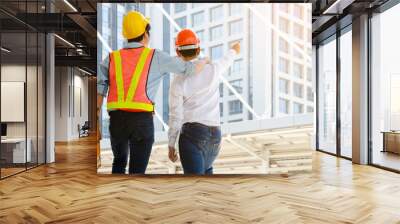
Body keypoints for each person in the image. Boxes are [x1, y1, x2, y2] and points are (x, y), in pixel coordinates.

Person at [97, 11, 208, 174]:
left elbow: (100, 87)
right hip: (142, 122)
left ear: (126, 35)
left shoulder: (112, 58)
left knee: (119, 163)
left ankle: (117, 196)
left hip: (116, 122)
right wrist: (204, 61)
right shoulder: (155, 57)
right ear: (145, 34)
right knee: (137, 171)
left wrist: (96, 120)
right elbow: (188, 69)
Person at [168, 29, 240, 174]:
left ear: (178, 53)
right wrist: (235, 48)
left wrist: (171, 144)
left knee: (195, 189)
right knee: (206, 188)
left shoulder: (178, 81)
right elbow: (229, 58)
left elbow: (176, 116)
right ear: (198, 48)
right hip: (215, 137)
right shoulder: (213, 69)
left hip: (192, 135)